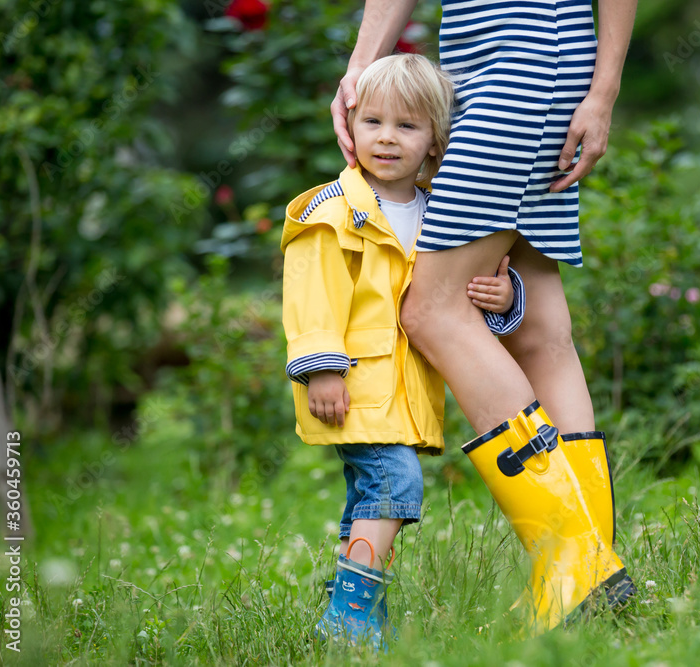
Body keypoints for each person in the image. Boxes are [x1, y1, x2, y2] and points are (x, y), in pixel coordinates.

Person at [331, 0, 638, 636]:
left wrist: (604, 90)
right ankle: (585, 573)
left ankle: (576, 563)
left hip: (523, 69)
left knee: (434, 308)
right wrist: (359, 70)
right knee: (539, 333)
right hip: (508, 65)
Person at [281, 53, 526, 650]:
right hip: (355, 382)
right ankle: (349, 618)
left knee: (369, 498)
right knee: (396, 483)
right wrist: (321, 369)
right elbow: (312, 292)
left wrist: (502, 296)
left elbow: (452, 297)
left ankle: (364, 620)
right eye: (373, 122)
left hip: (406, 388)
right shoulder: (334, 212)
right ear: (351, 126)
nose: (386, 138)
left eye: (407, 126)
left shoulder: (445, 213)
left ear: (435, 140)